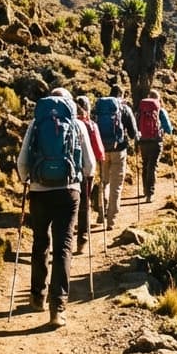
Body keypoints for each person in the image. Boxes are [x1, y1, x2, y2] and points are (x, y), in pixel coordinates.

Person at [16, 87, 95, 328]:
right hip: (68, 192)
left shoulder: (36, 124)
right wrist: (82, 181)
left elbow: (22, 161)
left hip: (39, 192)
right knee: (63, 246)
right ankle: (57, 308)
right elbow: (90, 165)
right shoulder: (78, 125)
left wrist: (27, 180)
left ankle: (37, 296)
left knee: (40, 241)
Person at [95, 83, 138, 230]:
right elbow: (132, 133)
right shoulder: (124, 108)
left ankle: (101, 212)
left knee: (104, 181)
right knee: (116, 185)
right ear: (122, 94)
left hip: (102, 150)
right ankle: (111, 220)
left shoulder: (100, 108)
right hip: (119, 150)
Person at [74, 95, 105, 254]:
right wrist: (99, 163)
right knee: (84, 204)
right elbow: (99, 151)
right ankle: (82, 237)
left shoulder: (67, 122)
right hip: (86, 170)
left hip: (66, 171)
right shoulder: (90, 124)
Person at [137, 88, 174, 202]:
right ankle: (150, 194)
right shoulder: (160, 110)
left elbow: (136, 124)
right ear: (158, 99)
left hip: (143, 141)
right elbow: (168, 129)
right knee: (152, 166)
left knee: (145, 164)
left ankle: (145, 190)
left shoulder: (141, 109)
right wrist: (169, 130)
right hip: (155, 142)